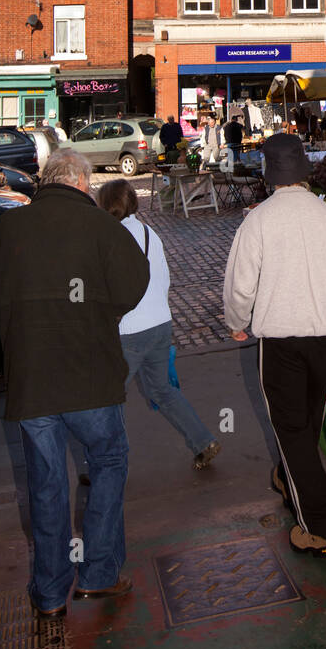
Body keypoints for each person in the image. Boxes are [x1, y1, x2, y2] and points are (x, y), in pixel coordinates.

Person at [0, 148, 150, 617]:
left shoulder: (8, 230)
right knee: (109, 463)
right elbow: (135, 285)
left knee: (46, 483)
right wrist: (101, 313)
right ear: (80, 182)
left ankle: (51, 593)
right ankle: (98, 574)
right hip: (92, 377)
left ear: (45, 181)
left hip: (33, 383)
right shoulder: (103, 228)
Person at [223, 134, 326, 558]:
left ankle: (320, 527)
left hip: (281, 340)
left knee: (293, 431)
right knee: (306, 424)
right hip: (324, 337)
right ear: (302, 171)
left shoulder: (258, 220)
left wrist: (236, 323)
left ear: (269, 173)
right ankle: (286, 476)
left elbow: (239, 286)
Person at [96, 181, 220, 470]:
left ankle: (105, 464)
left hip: (130, 330)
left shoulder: (111, 237)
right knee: (162, 390)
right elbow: (163, 279)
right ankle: (203, 441)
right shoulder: (150, 233)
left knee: (108, 397)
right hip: (160, 323)